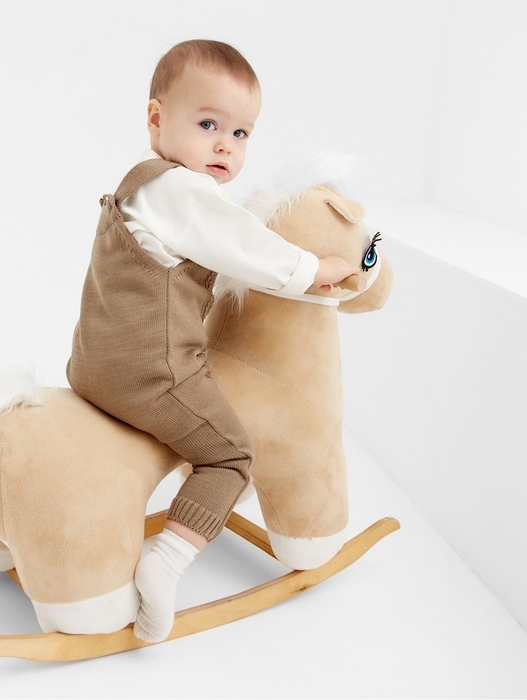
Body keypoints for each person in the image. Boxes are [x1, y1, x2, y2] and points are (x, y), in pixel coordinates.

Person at [66, 39, 358, 642]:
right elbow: (248, 246)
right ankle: (166, 563)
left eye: (241, 133)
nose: (226, 145)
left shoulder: (140, 186)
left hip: (89, 363)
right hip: (151, 374)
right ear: (156, 119)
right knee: (231, 456)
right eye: (208, 125)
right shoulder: (185, 192)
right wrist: (314, 270)